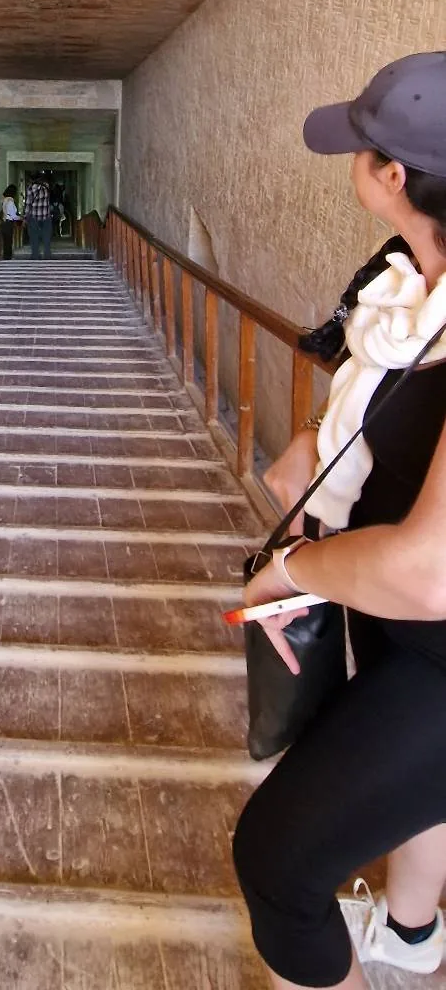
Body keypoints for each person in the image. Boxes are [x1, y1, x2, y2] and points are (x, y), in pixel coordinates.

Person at [233, 51, 446, 989]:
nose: (352, 165)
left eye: (361, 151)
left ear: (394, 178)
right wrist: (320, 432)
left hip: (434, 636)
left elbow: (426, 571)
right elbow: (389, 379)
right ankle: (411, 934)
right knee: (423, 797)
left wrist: (295, 568)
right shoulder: (411, 270)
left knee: (276, 866)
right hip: (404, 635)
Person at [24, 169, 53, 260]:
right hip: (46, 216)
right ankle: (47, 255)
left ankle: (35, 255)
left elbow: (28, 204)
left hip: (34, 217)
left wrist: (25, 217)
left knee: (34, 237)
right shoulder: (46, 187)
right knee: (46, 238)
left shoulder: (30, 189)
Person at [0, 183, 22, 260]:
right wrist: (21, 218)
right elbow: (13, 216)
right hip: (8, 223)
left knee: (5, 241)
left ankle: (6, 257)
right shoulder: (10, 202)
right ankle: (8, 257)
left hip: (3, 222)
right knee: (8, 242)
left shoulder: (4, 200)